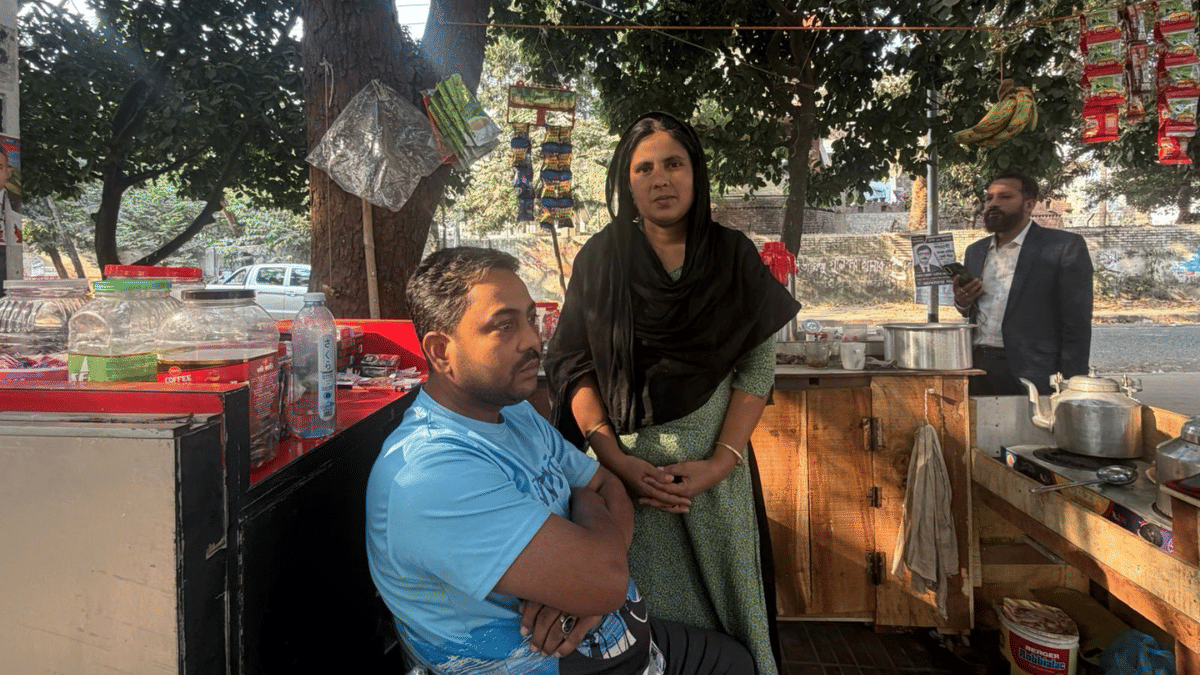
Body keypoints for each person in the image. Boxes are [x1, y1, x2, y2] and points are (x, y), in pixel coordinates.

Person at [366, 246, 754, 675]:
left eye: (531, 319)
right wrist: (594, 571)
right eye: (504, 325)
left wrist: (588, 591)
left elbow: (609, 485)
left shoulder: (512, 415)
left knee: (736, 660)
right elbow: (606, 575)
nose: (533, 340)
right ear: (441, 352)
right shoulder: (431, 472)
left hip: (624, 644)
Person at [543, 112, 800, 675]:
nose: (661, 179)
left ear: (696, 173)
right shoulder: (600, 261)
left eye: (674, 163)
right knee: (636, 624)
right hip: (624, 483)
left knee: (725, 616)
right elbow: (573, 364)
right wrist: (614, 461)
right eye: (645, 168)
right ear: (627, 183)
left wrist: (721, 462)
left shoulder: (732, 256)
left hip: (712, 483)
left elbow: (756, 367)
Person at [953, 170, 1093, 395]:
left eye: (1005, 197)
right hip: (978, 365)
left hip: (1036, 370)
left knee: (1034, 429)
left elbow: (1076, 321)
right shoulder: (976, 251)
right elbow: (971, 310)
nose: (993, 204)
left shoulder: (1062, 247)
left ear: (1029, 205)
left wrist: (1073, 381)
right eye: (989, 198)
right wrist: (962, 302)